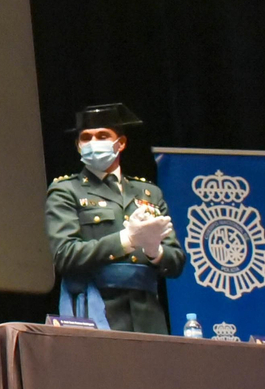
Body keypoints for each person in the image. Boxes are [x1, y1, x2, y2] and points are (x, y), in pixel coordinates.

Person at [46, 103, 183, 333]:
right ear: (78, 146)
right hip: (97, 306)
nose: (93, 143)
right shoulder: (67, 191)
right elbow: (65, 255)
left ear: (121, 143)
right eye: (86, 138)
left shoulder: (148, 192)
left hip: (147, 312)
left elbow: (176, 261)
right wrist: (126, 240)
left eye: (102, 136)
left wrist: (154, 251)